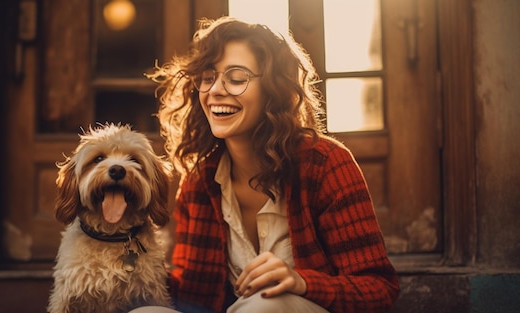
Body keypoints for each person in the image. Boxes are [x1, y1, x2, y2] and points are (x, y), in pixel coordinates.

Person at [145, 16, 399, 313]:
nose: (215, 90)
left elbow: (380, 289)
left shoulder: (327, 164)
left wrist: (301, 282)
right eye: (207, 77)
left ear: (273, 90)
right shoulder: (200, 181)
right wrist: (126, 258)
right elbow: (190, 294)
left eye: (237, 79)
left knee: (265, 306)